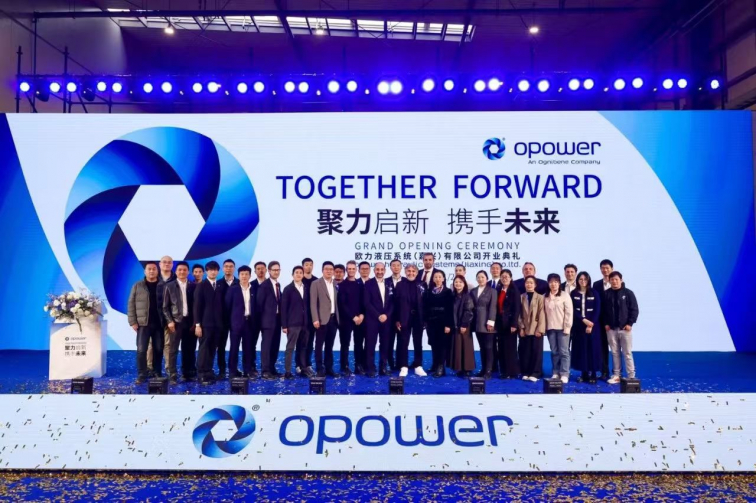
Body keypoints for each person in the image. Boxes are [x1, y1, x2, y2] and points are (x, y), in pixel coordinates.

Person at [128, 262, 163, 384]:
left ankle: (157, 372)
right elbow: (131, 304)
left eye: (154, 269)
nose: (152, 271)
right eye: (149, 269)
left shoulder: (163, 285)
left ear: (157, 271)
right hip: (143, 324)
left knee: (158, 349)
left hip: (159, 323)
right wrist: (132, 321)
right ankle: (142, 374)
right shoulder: (138, 285)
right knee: (141, 350)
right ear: (145, 271)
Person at [193, 261, 227, 384]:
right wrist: (197, 325)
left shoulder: (220, 286)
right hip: (205, 324)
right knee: (204, 349)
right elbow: (197, 307)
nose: (213, 272)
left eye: (215, 270)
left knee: (213, 348)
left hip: (218, 324)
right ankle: (201, 374)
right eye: (210, 270)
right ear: (206, 271)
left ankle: (209, 371)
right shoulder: (201, 285)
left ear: (218, 271)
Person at [602, 271, 639, 384]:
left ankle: (631, 375)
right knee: (615, 352)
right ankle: (617, 375)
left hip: (625, 329)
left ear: (621, 280)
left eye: (616, 279)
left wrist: (630, 323)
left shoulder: (628, 293)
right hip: (611, 329)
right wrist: (606, 323)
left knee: (627, 352)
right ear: (609, 281)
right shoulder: (606, 294)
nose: (614, 282)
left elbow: (634, 309)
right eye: (612, 280)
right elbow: (603, 311)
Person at [162, 261, 196, 383]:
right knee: (173, 349)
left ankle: (187, 373)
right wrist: (169, 321)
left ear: (188, 272)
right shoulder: (169, 286)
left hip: (190, 322)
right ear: (176, 272)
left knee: (189, 349)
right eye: (180, 270)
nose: (182, 272)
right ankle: (172, 374)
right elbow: (165, 307)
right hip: (176, 322)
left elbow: (196, 306)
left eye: (184, 270)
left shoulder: (193, 286)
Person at [394, 264, 427, 377]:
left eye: (413, 271)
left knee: (418, 342)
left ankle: (418, 366)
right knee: (404, 342)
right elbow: (396, 304)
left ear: (417, 273)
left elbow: (426, 303)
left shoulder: (422, 284)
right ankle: (404, 366)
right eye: (409, 271)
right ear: (405, 272)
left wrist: (425, 319)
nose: (411, 273)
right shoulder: (400, 285)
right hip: (404, 318)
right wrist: (397, 319)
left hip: (418, 318)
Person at [363, 262, 395, 377]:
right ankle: (371, 368)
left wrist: (386, 315)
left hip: (386, 320)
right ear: (374, 270)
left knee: (385, 344)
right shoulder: (368, 283)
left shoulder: (389, 283)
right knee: (370, 344)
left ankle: (383, 368)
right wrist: (378, 315)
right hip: (372, 319)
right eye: (377, 269)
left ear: (385, 271)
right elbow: (367, 303)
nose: (380, 272)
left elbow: (392, 302)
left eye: (382, 270)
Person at [570, 272, 602, 383]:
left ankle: (593, 374)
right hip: (579, 326)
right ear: (577, 280)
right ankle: (584, 373)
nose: (583, 281)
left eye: (585, 279)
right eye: (581, 279)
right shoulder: (573, 293)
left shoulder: (594, 292)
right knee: (581, 349)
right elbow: (572, 310)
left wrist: (591, 323)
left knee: (592, 349)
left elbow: (597, 309)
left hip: (593, 326)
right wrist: (583, 319)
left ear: (588, 280)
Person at [224, 265, 255, 379]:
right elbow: (227, 307)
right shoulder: (233, 289)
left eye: (246, 274)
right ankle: (232, 371)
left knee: (248, 348)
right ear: (238, 275)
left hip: (249, 322)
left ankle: (247, 371)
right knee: (234, 348)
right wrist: (230, 323)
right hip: (235, 323)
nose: (244, 276)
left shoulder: (253, 289)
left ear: (250, 276)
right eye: (242, 274)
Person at [310, 261, 340, 377]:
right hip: (321, 320)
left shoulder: (336, 283)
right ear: (322, 270)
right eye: (326, 269)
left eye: (331, 269)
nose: (329, 271)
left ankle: (329, 368)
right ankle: (319, 369)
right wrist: (315, 319)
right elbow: (313, 303)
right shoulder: (316, 283)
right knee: (319, 345)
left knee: (329, 345)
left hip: (333, 319)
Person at [147, 255, 175, 376]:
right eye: (164, 262)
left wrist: (171, 319)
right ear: (160, 264)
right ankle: (149, 368)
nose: (167, 264)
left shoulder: (176, 279)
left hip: (169, 319)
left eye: (169, 262)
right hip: (153, 318)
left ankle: (168, 368)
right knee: (150, 345)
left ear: (172, 264)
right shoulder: (152, 278)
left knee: (168, 345)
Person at [544, 273, 574, 384]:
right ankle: (556, 371)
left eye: (556, 282)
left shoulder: (565, 295)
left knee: (564, 351)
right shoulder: (545, 296)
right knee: (554, 351)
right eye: (551, 282)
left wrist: (567, 327)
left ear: (559, 283)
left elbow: (569, 313)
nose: (553, 284)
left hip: (562, 328)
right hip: (550, 328)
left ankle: (565, 373)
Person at [423, 270, 453, 377]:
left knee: (442, 345)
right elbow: (425, 307)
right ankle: (435, 364)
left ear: (443, 279)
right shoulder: (428, 291)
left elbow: (450, 309)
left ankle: (441, 367)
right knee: (433, 344)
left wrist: (448, 324)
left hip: (443, 323)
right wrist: (425, 321)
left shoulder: (448, 292)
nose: (438, 279)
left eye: (440, 277)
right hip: (431, 322)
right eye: (436, 277)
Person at [281, 266, 309, 379]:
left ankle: (302, 369)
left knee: (303, 347)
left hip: (305, 323)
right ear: (292, 275)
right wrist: (284, 325)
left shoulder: (306, 288)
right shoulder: (288, 289)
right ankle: (288, 371)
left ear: (303, 275)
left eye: (300, 272)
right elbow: (283, 308)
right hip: (292, 324)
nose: (298, 274)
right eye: (296, 272)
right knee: (290, 348)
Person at [337, 260, 364, 377]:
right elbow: (342, 304)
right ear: (346, 270)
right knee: (345, 344)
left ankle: (358, 365)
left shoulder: (360, 284)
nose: (351, 270)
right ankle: (345, 366)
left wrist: (362, 315)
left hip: (360, 320)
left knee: (359, 343)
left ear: (356, 270)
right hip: (346, 320)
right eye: (349, 269)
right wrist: (353, 317)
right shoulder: (342, 285)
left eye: (353, 269)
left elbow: (363, 302)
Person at [256, 261, 282, 379]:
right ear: (269, 271)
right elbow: (259, 305)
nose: (276, 272)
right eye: (274, 270)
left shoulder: (278, 284)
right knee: (266, 346)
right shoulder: (264, 285)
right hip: (267, 321)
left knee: (275, 345)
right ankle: (265, 370)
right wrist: (262, 321)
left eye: (278, 270)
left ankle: (272, 368)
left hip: (277, 320)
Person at [518, 276, 546, 382]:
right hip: (525, 329)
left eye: (531, 283)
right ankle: (526, 372)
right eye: (527, 283)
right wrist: (521, 328)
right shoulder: (521, 297)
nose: (529, 285)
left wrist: (540, 329)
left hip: (536, 329)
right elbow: (519, 314)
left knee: (536, 352)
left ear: (535, 285)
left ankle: (536, 373)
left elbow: (542, 313)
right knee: (525, 352)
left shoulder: (540, 297)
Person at [470, 270, 497, 378]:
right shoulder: (473, 291)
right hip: (477, 323)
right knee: (482, 347)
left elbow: (493, 307)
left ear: (487, 279)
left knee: (489, 347)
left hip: (487, 323)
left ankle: (489, 370)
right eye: (478, 277)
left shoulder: (492, 291)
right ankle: (483, 369)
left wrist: (491, 322)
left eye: (482, 277)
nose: (480, 279)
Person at [496, 268, 521, 378]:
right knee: (501, 348)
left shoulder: (514, 290)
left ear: (511, 278)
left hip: (510, 324)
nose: (504, 279)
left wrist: (514, 324)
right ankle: (503, 371)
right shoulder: (498, 289)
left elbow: (517, 308)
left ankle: (512, 372)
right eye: (502, 277)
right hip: (500, 323)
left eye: (506, 277)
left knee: (510, 348)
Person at [216, 258, 239, 379]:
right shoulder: (217, 283)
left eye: (231, 266)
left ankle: (233, 369)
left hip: (236, 320)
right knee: (221, 346)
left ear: (234, 268)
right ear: (223, 268)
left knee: (235, 346)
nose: (228, 268)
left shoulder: (240, 283)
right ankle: (221, 370)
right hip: (222, 320)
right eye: (226, 266)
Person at [593, 259, 615, 380]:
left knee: (616, 349)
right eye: (603, 268)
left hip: (615, 322)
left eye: (607, 268)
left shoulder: (617, 282)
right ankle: (604, 371)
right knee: (602, 348)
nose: (605, 270)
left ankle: (617, 373)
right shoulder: (596, 285)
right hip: (601, 322)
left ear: (612, 268)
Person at [451, 275, 475, 377]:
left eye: (460, 282)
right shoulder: (453, 296)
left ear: (464, 284)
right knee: (458, 347)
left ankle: (468, 369)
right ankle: (460, 368)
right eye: (456, 282)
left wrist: (464, 324)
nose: (458, 284)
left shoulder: (467, 296)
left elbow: (469, 311)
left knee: (466, 347)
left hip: (464, 326)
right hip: (455, 325)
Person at [247, 261, 267, 378]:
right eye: (258, 269)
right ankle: (251, 367)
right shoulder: (250, 285)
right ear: (254, 271)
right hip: (253, 320)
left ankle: (267, 368)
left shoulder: (271, 284)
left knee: (267, 345)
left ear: (266, 270)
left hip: (268, 320)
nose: (260, 270)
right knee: (251, 344)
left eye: (262, 268)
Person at [386, 259, 403, 370]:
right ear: (390, 267)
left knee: (401, 342)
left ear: (401, 267)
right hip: (389, 316)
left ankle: (400, 363)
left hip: (402, 317)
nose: (396, 267)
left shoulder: (406, 281)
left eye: (398, 265)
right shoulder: (385, 281)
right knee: (389, 341)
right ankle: (390, 363)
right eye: (393, 265)